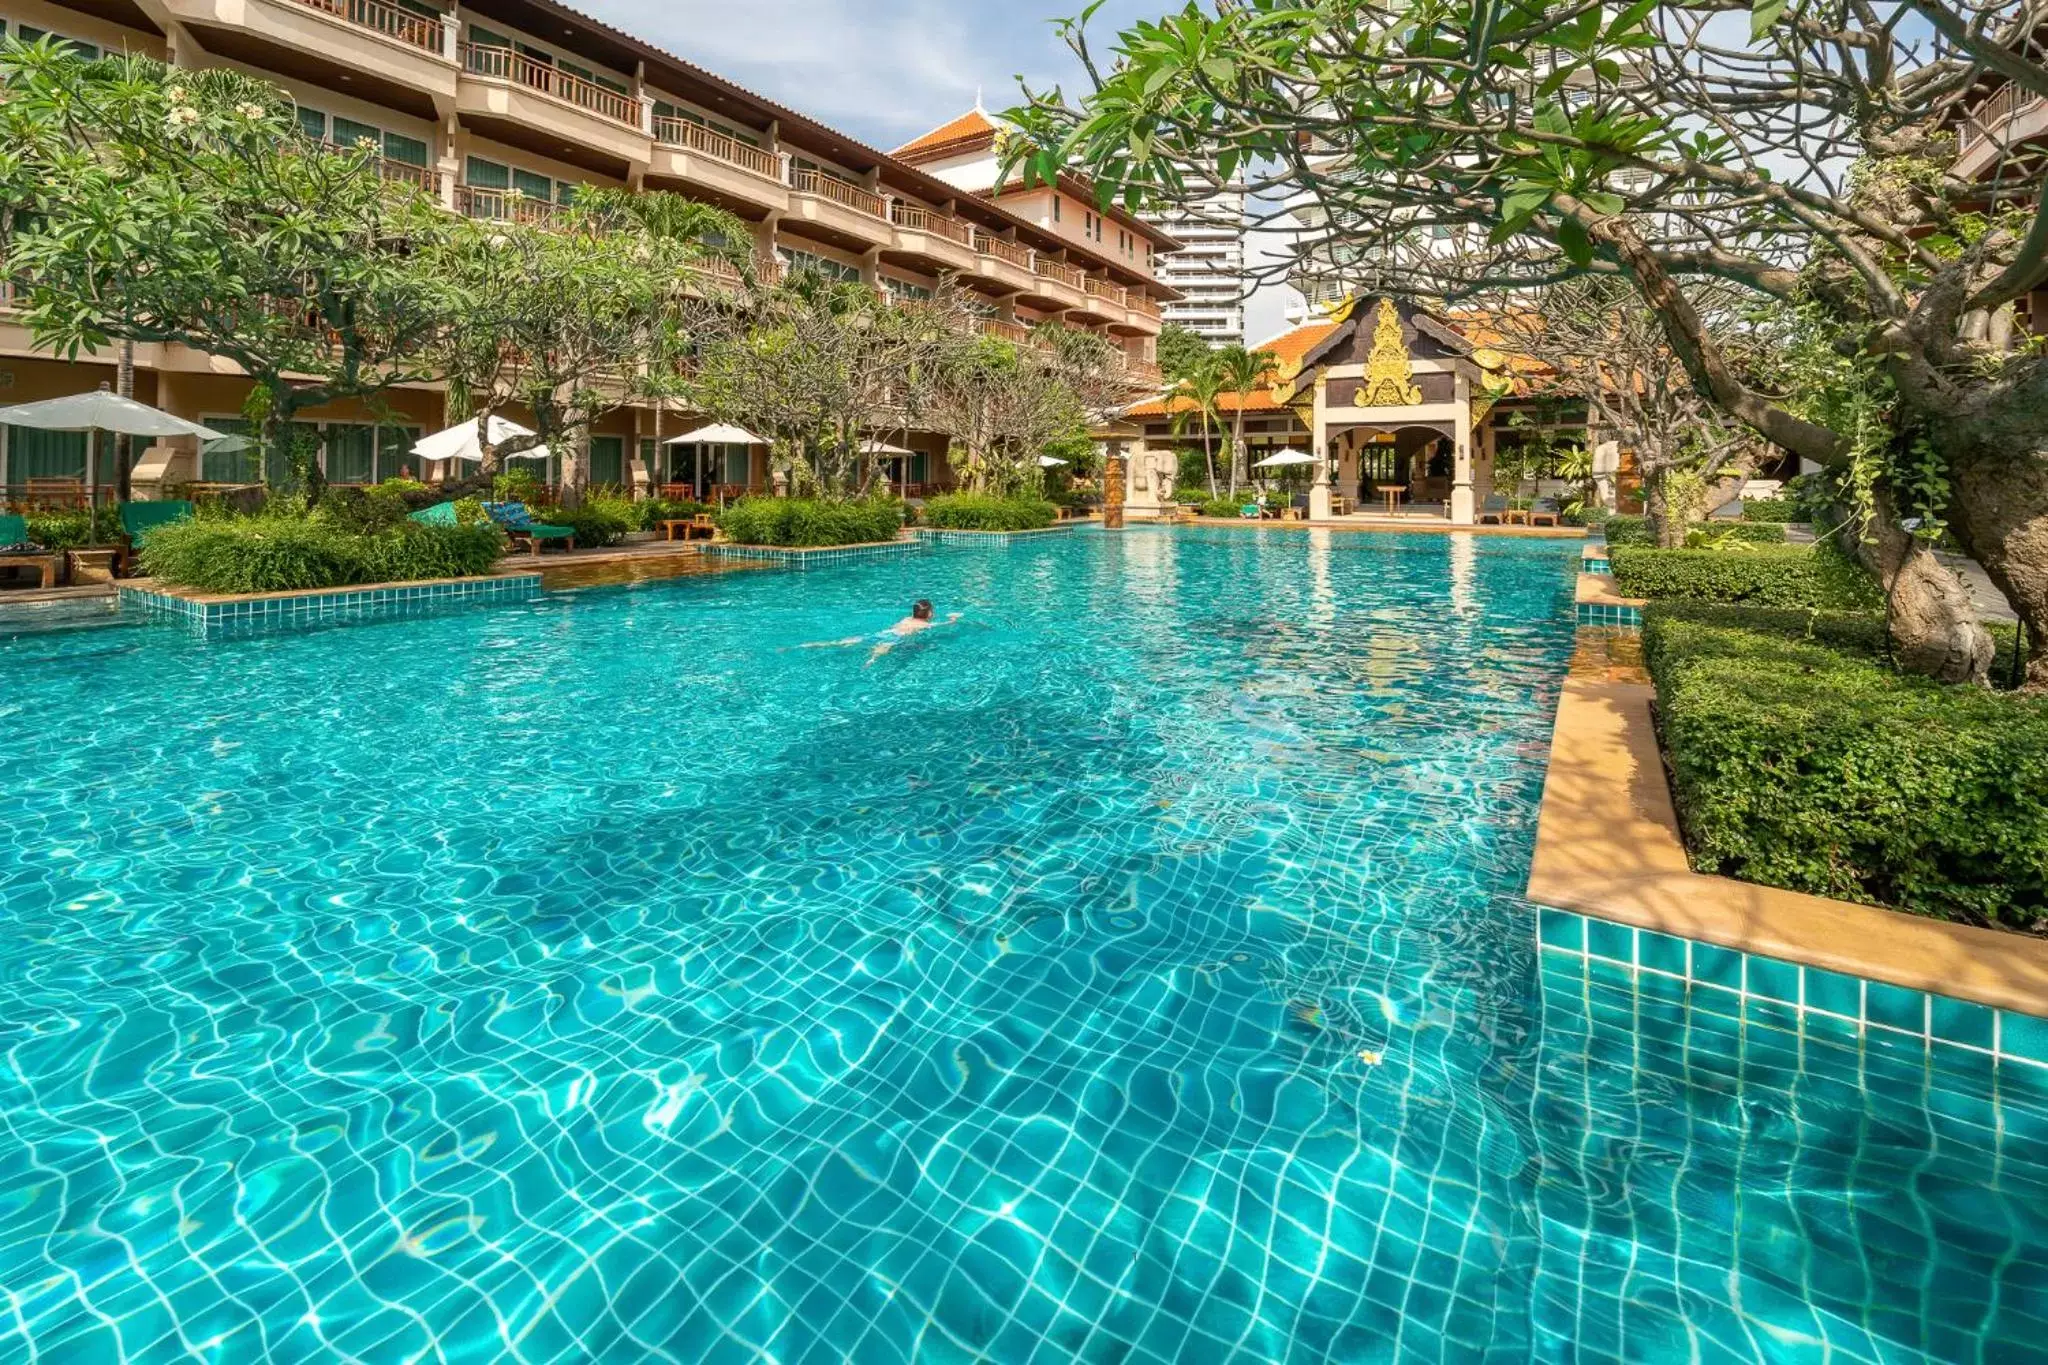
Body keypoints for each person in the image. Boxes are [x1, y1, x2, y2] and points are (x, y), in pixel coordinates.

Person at [802, 600, 960, 663]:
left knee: (843, 642)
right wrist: (952, 620)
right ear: (929, 614)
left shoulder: (906, 619)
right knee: (881, 650)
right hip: (895, 637)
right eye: (932, 611)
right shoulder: (923, 626)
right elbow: (941, 626)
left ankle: (806, 646)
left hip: (883, 633)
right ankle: (870, 661)